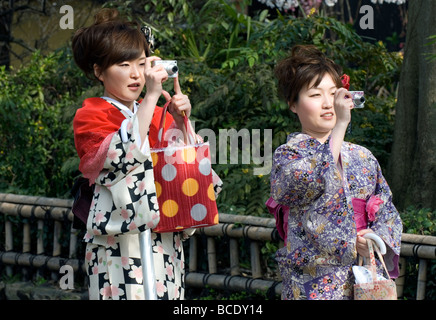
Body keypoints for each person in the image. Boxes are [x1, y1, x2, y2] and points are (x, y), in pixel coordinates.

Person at [71, 8, 219, 300]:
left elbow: (183, 167)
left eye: (141, 63)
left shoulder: (152, 113)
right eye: (124, 64)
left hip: (163, 232)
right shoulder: (90, 114)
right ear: (99, 71)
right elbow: (119, 160)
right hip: (117, 236)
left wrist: (180, 122)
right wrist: (151, 97)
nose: (136, 74)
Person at [269, 45, 402, 300]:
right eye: (316, 95)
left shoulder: (363, 157)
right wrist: (341, 125)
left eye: (333, 93)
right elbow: (305, 188)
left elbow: (386, 210)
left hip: (362, 280)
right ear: (293, 105)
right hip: (312, 281)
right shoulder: (289, 155)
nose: (328, 103)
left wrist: (372, 237)